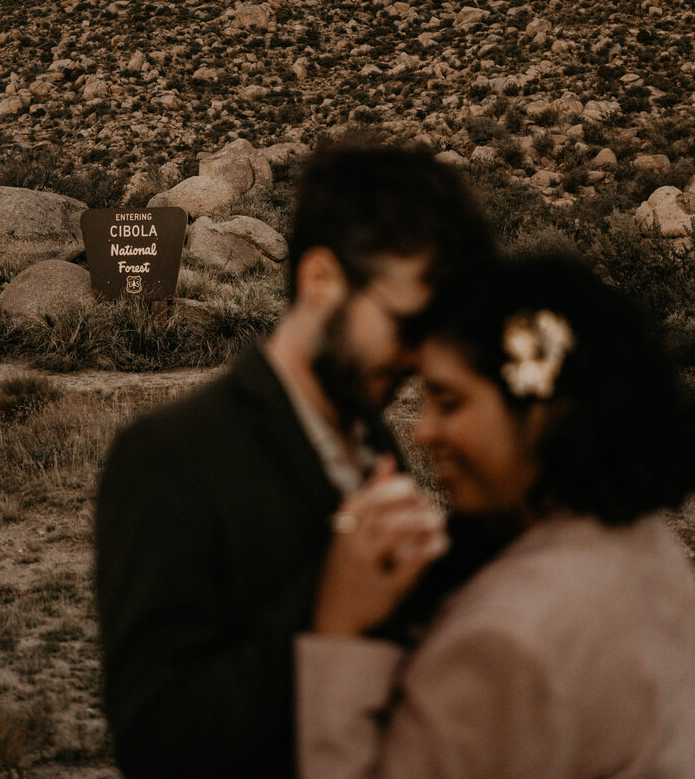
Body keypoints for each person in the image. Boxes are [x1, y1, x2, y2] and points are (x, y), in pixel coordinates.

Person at [94, 144, 496, 779]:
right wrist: (323, 620)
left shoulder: (376, 442)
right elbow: (156, 742)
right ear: (321, 282)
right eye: (410, 326)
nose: (421, 359)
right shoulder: (169, 457)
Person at [298, 255, 695, 779]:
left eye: (449, 402)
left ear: (542, 412)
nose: (422, 432)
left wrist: (339, 633)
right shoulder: (649, 546)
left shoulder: (502, 641)